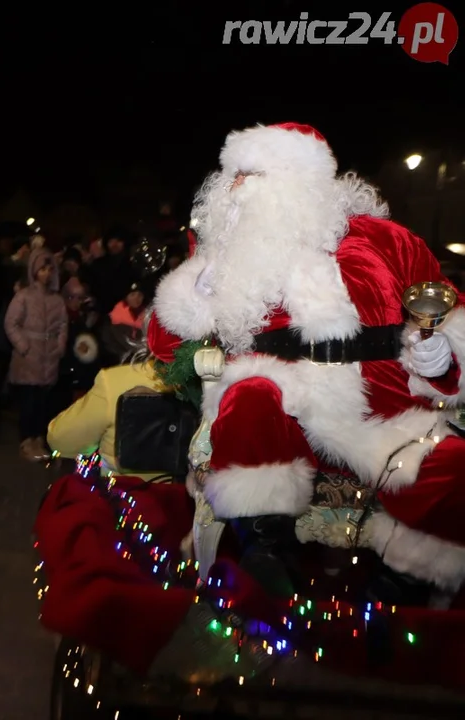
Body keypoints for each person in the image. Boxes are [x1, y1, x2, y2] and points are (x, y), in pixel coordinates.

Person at [148, 122, 465, 602]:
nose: (236, 187)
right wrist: (194, 292)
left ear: (300, 182)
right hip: (283, 404)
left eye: (254, 174)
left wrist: (441, 354)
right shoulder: (226, 255)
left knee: (452, 468)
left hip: (379, 408)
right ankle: (264, 550)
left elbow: (444, 309)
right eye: (233, 175)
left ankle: (408, 582)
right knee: (251, 395)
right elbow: (166, 345)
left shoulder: (385, 240)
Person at [4, 248, 68, 462]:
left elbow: (62, 324)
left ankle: (39, 438)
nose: (46, 273)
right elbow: (10, 323)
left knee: (43, 401)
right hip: (29, 357)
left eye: (50, 269)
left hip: (49, 356)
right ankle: (26, 440)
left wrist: (59, 345)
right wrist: (24, 346)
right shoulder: (23, 296)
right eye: (42, 269)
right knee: (28, 401)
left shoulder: (56, 300)